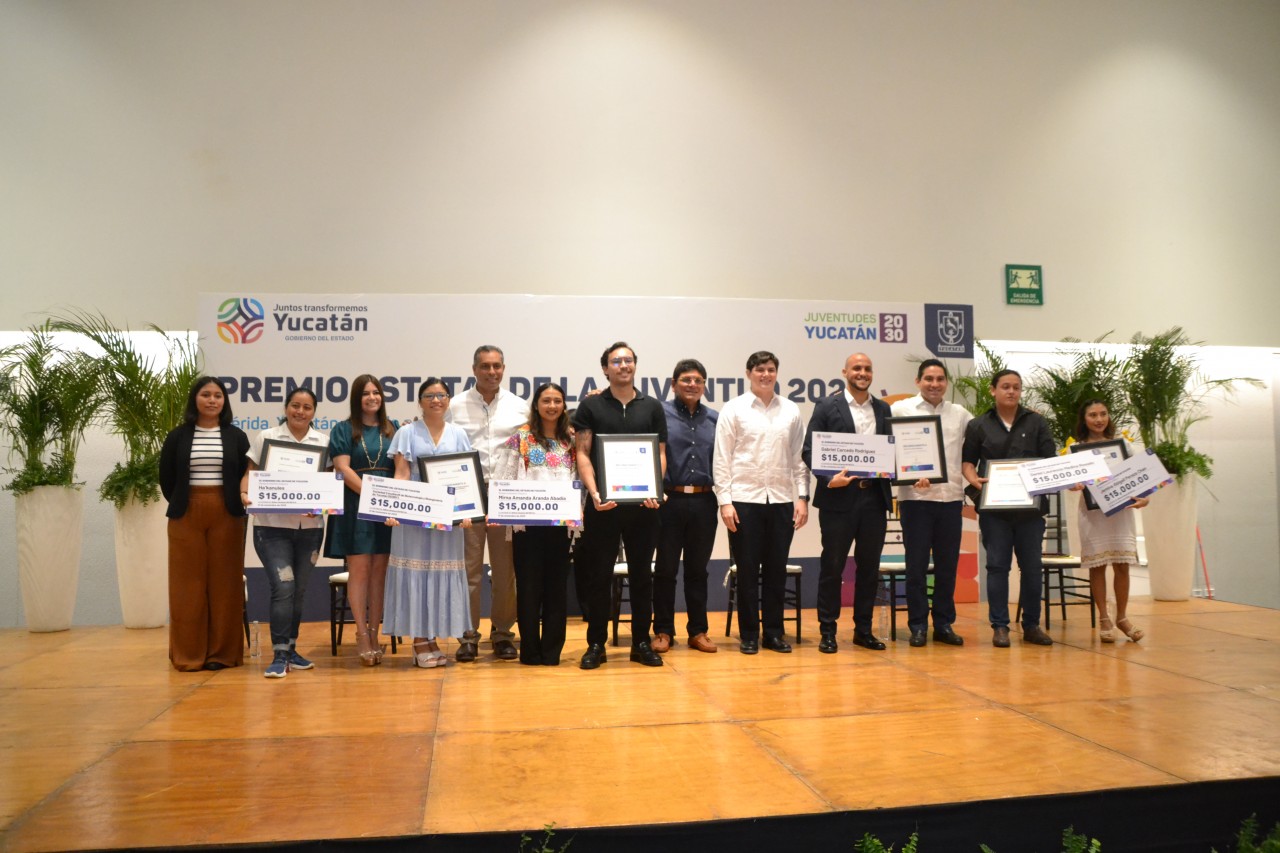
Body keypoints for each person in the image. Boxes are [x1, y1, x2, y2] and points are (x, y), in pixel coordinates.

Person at [574, 341, 668, 669]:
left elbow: (660, 453)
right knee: (599, 576)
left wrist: (656, 488)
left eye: (628, 360)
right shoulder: (591, 406)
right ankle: (596, 644)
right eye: (616, 361)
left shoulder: (652, 407)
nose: (623, 365)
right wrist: (594, 493)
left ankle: (641, 642)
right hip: (604, 506)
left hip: (644, 507)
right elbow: (582, 452)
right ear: (605, 368)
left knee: (642, 576)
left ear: (635, 365)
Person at [714, 351, 808, 655]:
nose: (765, 375)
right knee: (747, 571)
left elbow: (799, 458)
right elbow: (722, 458)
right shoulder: (734, 409)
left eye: (770, 369)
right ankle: (749, 635)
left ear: (776, 373)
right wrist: (725, 502)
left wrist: (802, 497)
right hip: (744, 501)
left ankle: (773, 634)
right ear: (749, 373)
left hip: (781, 500)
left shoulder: (790, 410)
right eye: (759, 370)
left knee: (776, 571)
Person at [159, 376, 251, 672]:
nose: (212, 400)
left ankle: (222, 654)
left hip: (228, 513)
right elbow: (167, 478)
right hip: (186, 514)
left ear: (224, 401)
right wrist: (186, 500)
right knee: (187, 585)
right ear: (195, 399)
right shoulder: (177, 436)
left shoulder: (237, 437)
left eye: (218, 396)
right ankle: (189, 654)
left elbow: (246, 475)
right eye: (206, 395)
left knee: (226, 584)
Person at [802, 352, 892, 653]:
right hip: (838, 499)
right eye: (857, 368)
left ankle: (863, 631)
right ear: (845, 372)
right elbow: (809, 449)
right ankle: (828, 631)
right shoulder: (827, 406)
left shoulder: (883, 409)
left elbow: (892, 452)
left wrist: (913, 471)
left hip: (874, 499)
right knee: (833, 567)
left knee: (869, 569)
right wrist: (830, 478)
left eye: (867, 368)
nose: (862, 373)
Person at [961, 369, 1056, 647]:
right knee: (997, 567)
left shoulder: (1037, 422)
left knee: (1032, 568)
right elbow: (968, 463)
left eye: (1016, 386)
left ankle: (1032, 625)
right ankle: (1000, 627)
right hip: (995, 511)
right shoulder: (979, 425)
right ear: (993, 390)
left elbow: (1050, 460)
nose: (1011, 391)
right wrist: (974, 481)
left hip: (1031, 511)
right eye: (1005, 386)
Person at [383, 379, 474, 668]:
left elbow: (466, 479)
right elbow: (401, 474)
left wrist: (467, 512)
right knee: (417, 574)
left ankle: (432, 638)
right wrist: (394, 509)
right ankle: (419, 640)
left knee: (438, 575)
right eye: (429, 395)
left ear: (448, 399)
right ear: (420, 401)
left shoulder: (459, 434)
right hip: (414, 518)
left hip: (448, 521)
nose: (436, 400)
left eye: (441, 395)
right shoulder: (406, 433)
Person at [240, 387, 330, 677]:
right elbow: (250, 474)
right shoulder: (267, 437)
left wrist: (321, 503)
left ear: (314, 412)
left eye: (307, 407)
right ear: (286, 407)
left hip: (310, 529)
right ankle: (279, 654)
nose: (300, 412)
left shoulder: (323, 442)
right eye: (295, 405)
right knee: (284, 587)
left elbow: (328, 483)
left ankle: (291, 649)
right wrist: (244, 493)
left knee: (298, 592)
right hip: (271, 526)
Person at [449, 345, 526, 662]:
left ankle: (503, 634)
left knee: (505, 571)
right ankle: (467, 636)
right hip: (468, 494)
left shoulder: (520, 407)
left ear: (504, 368)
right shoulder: (454, 406)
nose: (491, 372)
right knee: (469, 571)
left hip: (506, 493)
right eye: (485, 366)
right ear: (474, 369)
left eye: (496, 366)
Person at [890, 359, 972, 647]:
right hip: (915, 500)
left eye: (939, 379)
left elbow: (982, 437)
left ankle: (943, 624)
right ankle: (918, 626)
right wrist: (908, 474)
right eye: (928, 379)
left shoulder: (960, 414)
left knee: (947, 567)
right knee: (916, 567)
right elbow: (889, 450)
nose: (934, 384)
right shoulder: (900, 410)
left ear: (946, 383)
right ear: (918, 381)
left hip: (950, 499)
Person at [494, 383, 577, 665]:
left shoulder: (571, 439)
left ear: (563, 405)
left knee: (556, 589)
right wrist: (500, 510)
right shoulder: (521, 438)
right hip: (527, 528)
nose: (552, 406)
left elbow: (579, 480)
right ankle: (530, 651)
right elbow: (504, 479)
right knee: (528, 589)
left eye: (557, 401)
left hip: (561, 527)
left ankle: (552, 652)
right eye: (546, 401)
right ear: (536, 405)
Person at [325, 374, 397, 666]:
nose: (372, 398)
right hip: (356, 505)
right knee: (360, 571)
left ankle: (375, 633)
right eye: (366, 393)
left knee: (380, 573)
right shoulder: (343, 429)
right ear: (357, 398)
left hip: (387, 508)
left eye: (376, 392)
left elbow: (402, 469)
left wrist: (386, 499)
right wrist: (372, 494)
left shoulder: (393, 428)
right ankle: (361, 634)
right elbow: (342, 469)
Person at [652, 359, 719, 654]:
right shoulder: (659, 414)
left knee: (698, 570)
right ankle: (663, 631)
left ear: (704, 385)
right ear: (673, 384)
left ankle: (698, 631)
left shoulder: (715, 419)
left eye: (698, 380)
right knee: (665, 569)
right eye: (686, 379)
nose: (692, 385)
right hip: (669, 500)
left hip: (704, 500)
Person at [1071, 399, 1147, 643]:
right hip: (1092, 513)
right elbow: (1069, 482)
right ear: (1084, 419)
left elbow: (1138, 476)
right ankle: (1104, 618)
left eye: (1103, 414)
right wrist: (1073, 484)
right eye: (1093, 415)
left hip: (1120, 512)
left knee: (1122, 565)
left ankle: (1122, 618)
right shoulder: (1076, 449)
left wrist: (1144, 497)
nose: (1099, 419)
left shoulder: (1123, 445)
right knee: (1098, 565)